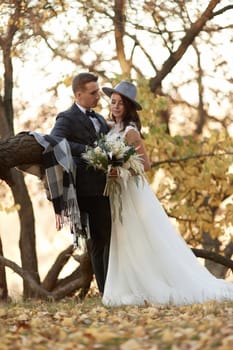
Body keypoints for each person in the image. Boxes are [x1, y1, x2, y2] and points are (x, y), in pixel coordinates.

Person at [101, 80, 233, 306]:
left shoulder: (131, 132)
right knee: (124, 237)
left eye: (121, 103)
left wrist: (120, 171)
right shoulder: (112, 129)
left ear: (129, 107)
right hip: (117, 194)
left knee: (140, 234)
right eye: (113, 102)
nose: (116, 106)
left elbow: (146, 164)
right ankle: (128, 284)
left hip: (132, 191)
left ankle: (153, 283)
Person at [50, 72, 111, 294]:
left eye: (98, 91)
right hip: (86, 188)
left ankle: (112, 287)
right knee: (97, 240)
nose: (98, 96)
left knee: (108, 237)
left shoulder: (100, 118)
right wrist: (87, 151)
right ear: (79, 94)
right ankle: (106, 291)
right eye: (93, 93)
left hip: (106, 187)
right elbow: (55, 141)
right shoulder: (66, 118)